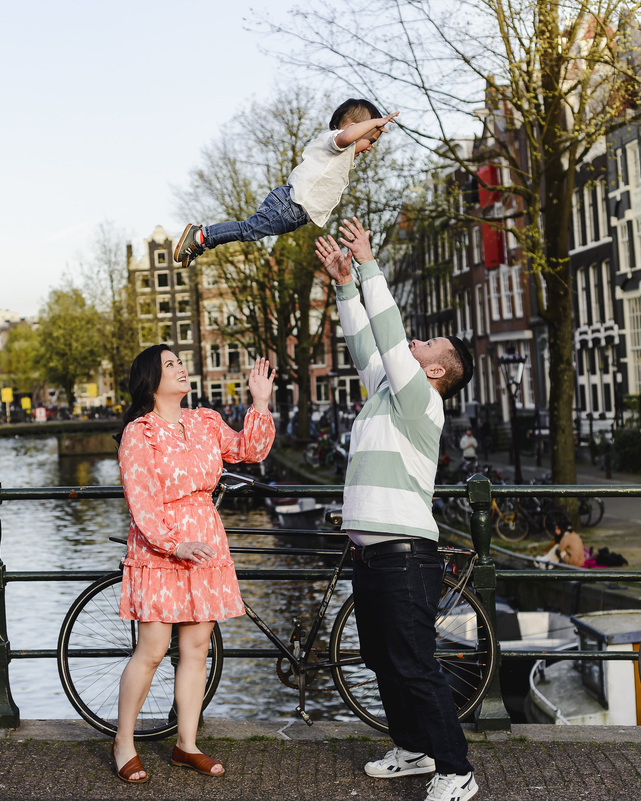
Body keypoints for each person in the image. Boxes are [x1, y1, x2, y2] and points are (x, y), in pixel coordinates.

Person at [316, 217, 479, 801]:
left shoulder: (420, 402)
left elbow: (388, 335)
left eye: (426, 345)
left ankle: (457, 771)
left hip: (404, 557)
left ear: (434, 371)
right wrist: (344, 285)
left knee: (414, 664)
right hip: (373, 556)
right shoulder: (388, 391)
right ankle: (413, 749)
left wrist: (368, 264)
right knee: (383, 662)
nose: (415, 342)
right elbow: (367, 344)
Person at [111, 344, 276, 784]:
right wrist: (174, 544)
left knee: (197, 648)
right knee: (152, 650)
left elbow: (250, 450)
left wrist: (260, 402)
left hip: (205, 543)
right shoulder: (139, 433)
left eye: (180, 362)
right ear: (151, 381)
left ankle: (187, 745)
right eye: (170, 364)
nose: (181, 368)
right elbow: (141, 501)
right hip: (160, 549)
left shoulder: (205, 421)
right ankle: (124, 742)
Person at [173, 99, 398, 267]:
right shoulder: (336, 142)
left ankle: (202, 239)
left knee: (250, 231)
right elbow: (347, 136)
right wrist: (376, 122)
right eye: (371, 140)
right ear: (354, 128)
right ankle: (202, 237)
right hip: (290, 205)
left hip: (294, 212)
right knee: (249, 230)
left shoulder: (342, 155)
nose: (370, 147)